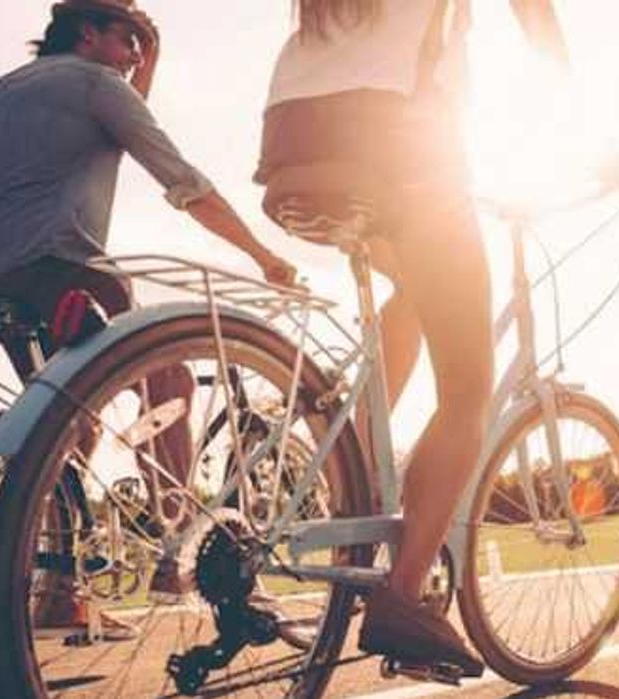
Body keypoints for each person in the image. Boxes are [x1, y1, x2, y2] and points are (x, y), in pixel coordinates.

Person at [255, 0, 572, 674]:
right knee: (468, 391)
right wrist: (579, 120)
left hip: (292, 152)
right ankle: (402, 596)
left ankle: (357, 463)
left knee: (413, 295)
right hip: (399, 151)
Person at [0, 0, 298, 633]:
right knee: (166, 379)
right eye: (127, 39)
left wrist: (143, 64)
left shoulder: (11, 87)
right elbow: (180, 178)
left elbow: (110, 112)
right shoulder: (96, 84)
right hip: (66, 267)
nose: (135, 54)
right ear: (88, 32)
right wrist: (262, 254)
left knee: (70, 425)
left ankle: (58, 590)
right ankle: (178, 553)